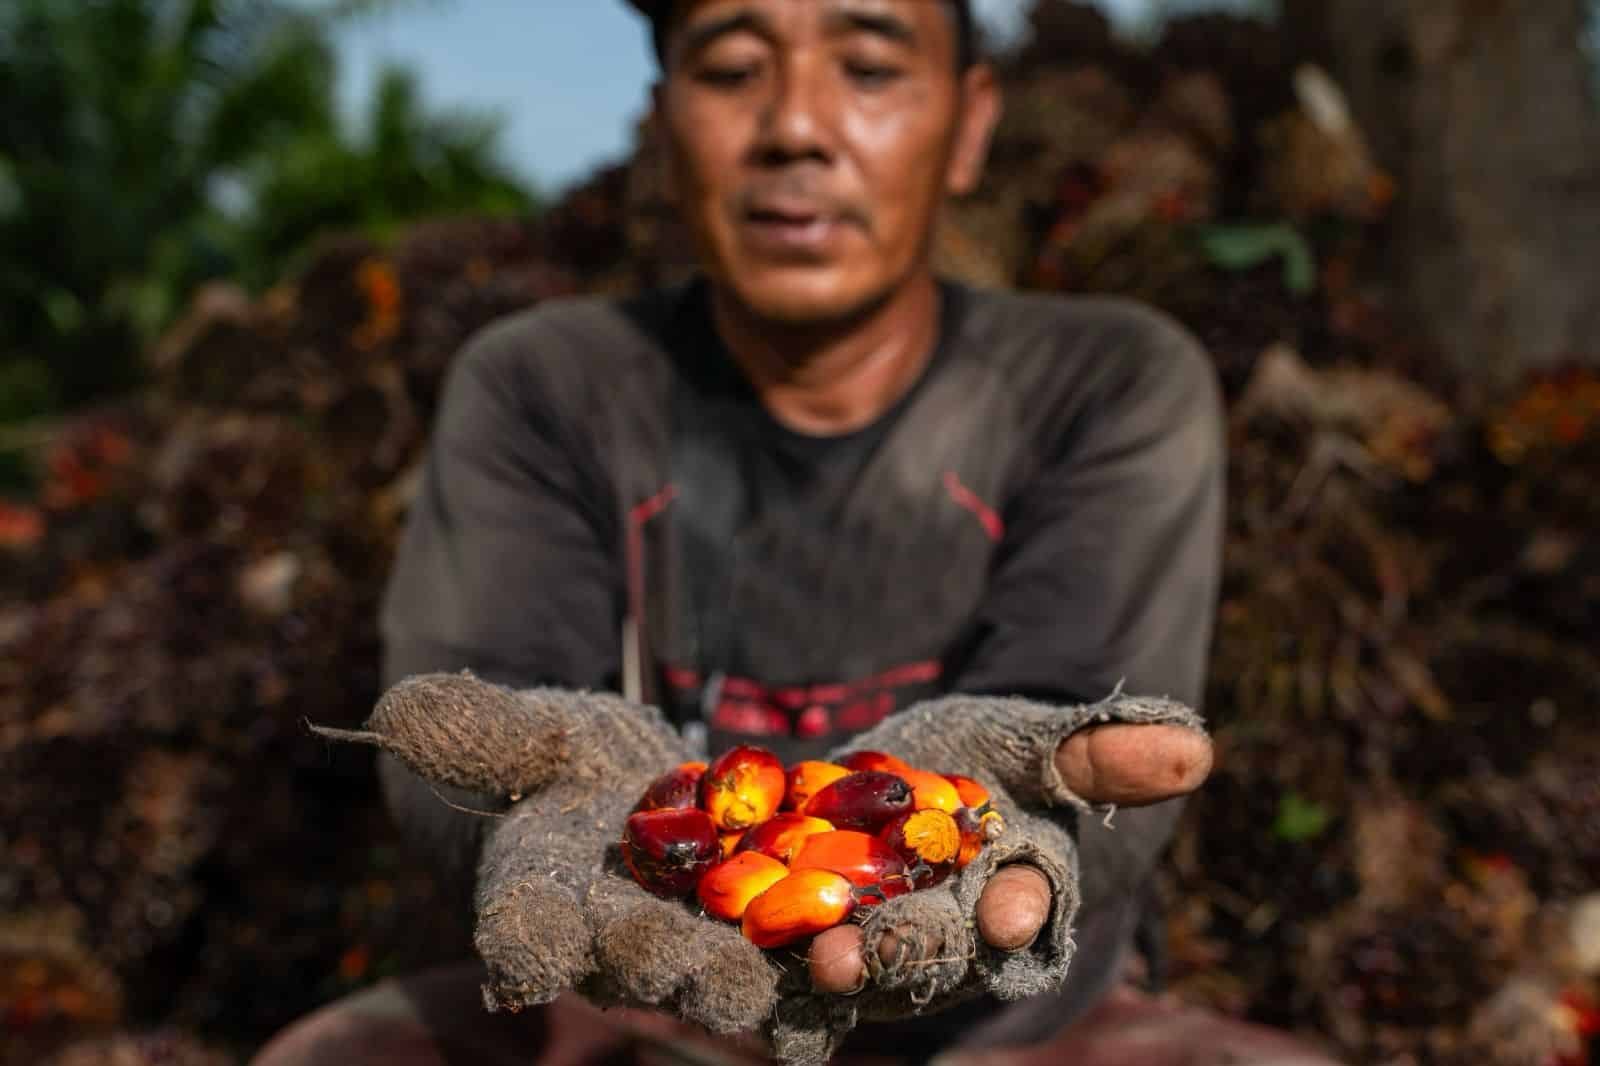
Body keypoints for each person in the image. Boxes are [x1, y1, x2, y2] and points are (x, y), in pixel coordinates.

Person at [253, 2, 1344, 1063]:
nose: (795, 128)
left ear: (968, 125)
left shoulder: (1104, 385)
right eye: (732, 69)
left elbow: (1074, 721)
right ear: (663, 121)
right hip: (636, 1007)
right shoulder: (543, 386)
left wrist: (996, 813)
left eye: (867, 68)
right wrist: (548, 804)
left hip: (1003, 1032)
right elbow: (491, 706)